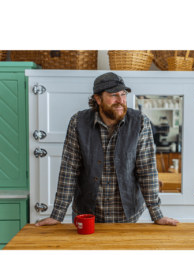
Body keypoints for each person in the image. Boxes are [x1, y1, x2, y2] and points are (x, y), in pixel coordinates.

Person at [35, 72, 179, 227]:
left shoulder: (140, 122)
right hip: (86, 212)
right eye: (113, 95)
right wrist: (57, 214)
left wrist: (156, 214)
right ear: (98, 99)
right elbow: (69, 169)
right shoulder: (78, 122)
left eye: (123, 94)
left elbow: (147, 169)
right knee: (85, 251)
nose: (120, 100)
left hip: (126, 213)